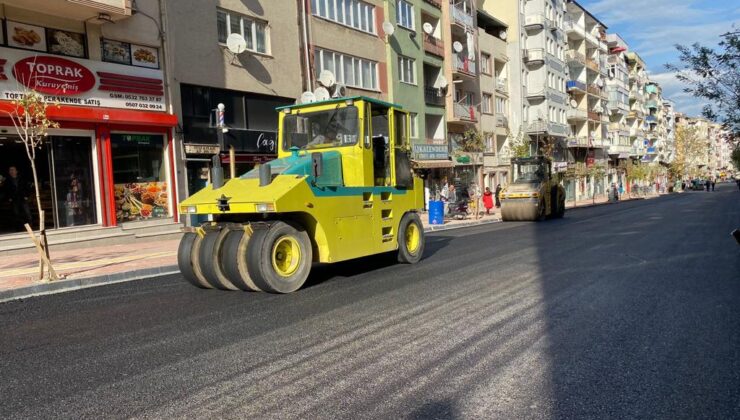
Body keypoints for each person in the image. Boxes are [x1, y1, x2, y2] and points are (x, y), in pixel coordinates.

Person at [2, 166, 32, 231]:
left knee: (27, 213)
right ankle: (19, 229)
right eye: (10, 170)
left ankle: (30, 228)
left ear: (16, 171)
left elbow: (28, 187)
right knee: (16, 214)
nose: (11, 171)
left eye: (13, 170)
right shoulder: (7, 181)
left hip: (22, 198)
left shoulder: (22, 179)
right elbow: (5, 190)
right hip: (14, 199)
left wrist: (26, 195)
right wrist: (9, 198)